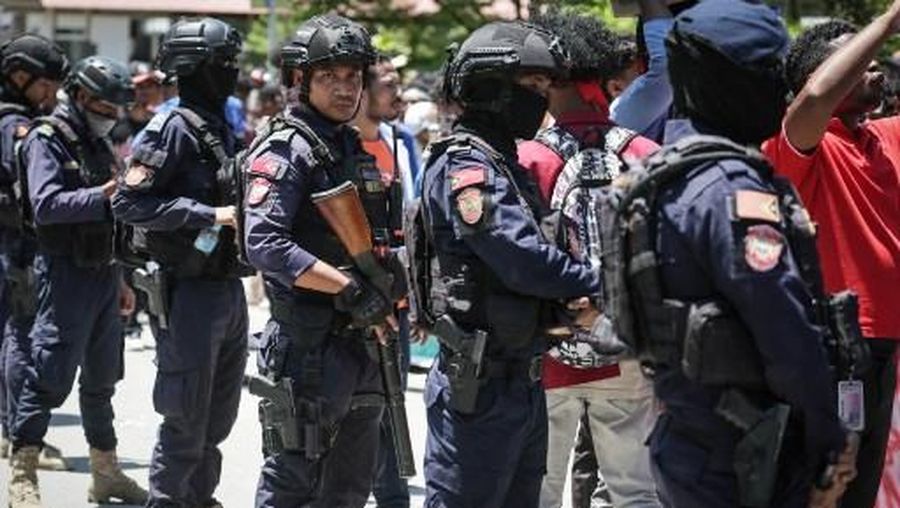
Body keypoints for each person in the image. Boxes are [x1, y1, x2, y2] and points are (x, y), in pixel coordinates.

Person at [635, 1, 857, 506]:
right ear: (737, 84)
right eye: (769, 75)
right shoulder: (734, 194)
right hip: (746, 453)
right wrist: (829, 442)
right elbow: (786, 333)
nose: (781, 92)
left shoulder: (660, 174)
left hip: (687, 439)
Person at [414, 21, 600, 508]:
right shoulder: (467, 166)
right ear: (492, 87)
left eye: (545, 87)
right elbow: (519, 258)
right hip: (479, 387)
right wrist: (596, 283)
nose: (541, 99)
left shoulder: (504, 162)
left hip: (519, 375)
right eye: (531, 87)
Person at [243, 14, 398, 507]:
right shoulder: (287, 148)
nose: (345, 88)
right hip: (308, 347)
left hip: (362, 344)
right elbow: (263, 242)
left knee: (350, 489)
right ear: (300, 80)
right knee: (292, 485)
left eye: (353, 76)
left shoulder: (351, 146)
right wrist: (350, 289)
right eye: (330, 77)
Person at [517, 11, 661, 508]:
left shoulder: (529, 158)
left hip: (550, 351)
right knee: (635, 491)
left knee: (538, 487)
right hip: (626, 350)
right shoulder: (645, 152)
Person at [763, 9, 900, 507]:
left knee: (861, 490)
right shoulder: (794, 145)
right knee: (826, 488)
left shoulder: (884, 138)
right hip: (838, 348)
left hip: (887, 346)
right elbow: (817, 98)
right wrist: (886, 22)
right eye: (859, 62)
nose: (876, 70)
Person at [112, 17, 249, 508]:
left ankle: (199, 498)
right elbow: (128, 204)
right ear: (197, 69)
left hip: (226, 285)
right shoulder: (171, 127)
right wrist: (206, 214)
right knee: (186, 418)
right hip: (188, 290)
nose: (232, 74)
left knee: (217, 419)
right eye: (224, 65)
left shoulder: (221, 126)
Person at [9, 55, 147, 508]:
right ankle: (23, 474)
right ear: (84, 97)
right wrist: (105, 193)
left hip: (104, 274)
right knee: (47, 375)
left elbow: (113, 220)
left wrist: (123, 279)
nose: (114, 117)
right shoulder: (47, 139)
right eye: (108, 107)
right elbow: (47, 204)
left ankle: (104, 472)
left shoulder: (96, 143)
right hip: (63, 274)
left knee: (103, 378)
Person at [0, 33, 71, 474]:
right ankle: (16, 434)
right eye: (46, 84)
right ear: (20, 77)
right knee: (21, 338)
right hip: (16, 247)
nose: (53, 94)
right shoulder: (17, 128)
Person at [352, 53, 419, 508]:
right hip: (352, 306)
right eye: (388, 84)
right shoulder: (337, 147)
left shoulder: (402, 143)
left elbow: (413, 223)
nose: (398, 93)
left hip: (395, 305)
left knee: (392, 411)